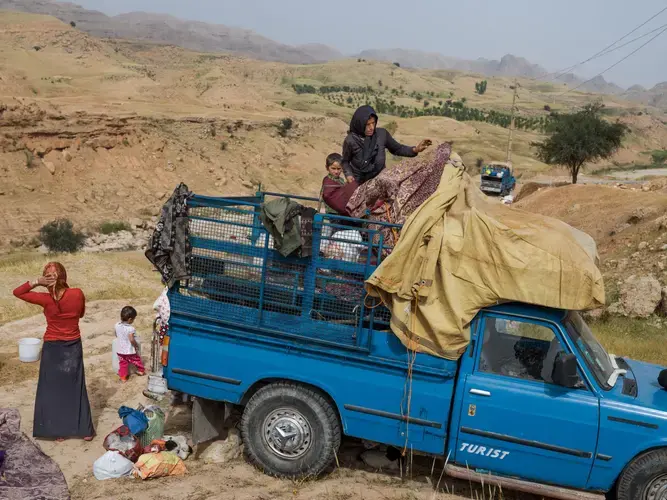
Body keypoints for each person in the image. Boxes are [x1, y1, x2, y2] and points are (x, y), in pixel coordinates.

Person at [12, 262, 95, 441]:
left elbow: (17, 292)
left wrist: (36, 281)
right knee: (75, 386)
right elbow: (80, 314)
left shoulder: (44, 299)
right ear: (64, 276)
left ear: (45, 280)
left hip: (52, 347)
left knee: (53, 389)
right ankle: (84, 431)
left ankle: (58, 432)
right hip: (73, 345)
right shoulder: (77, 293)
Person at [342, 105, 432, 184]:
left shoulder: (382, 134)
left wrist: (415, 149)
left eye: (373, 123)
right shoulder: (350, 140)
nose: (372, 127)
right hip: (359, 183)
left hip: (381, 180)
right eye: (367, 124)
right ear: (359, 124)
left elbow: (397, 149)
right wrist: (349, 175)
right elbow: (345, 161)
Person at [321, 153, 358, 217]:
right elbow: (328, 195)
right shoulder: (327, 181)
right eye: (333, 168)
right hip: (332, 213)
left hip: (340, 214)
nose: (336, 171)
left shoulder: (341, 180)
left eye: (339, 169)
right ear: (327, 168)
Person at [115, 306, 146, 382]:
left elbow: (115, 334)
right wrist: (135, 345)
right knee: (136, 360)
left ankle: (123, 377)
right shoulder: (130, 328)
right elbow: (131, 339)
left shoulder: (117, 325)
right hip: (129, 350)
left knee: (123, 364)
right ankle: (141, 371)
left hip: (120, 350)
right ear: (130, 319)